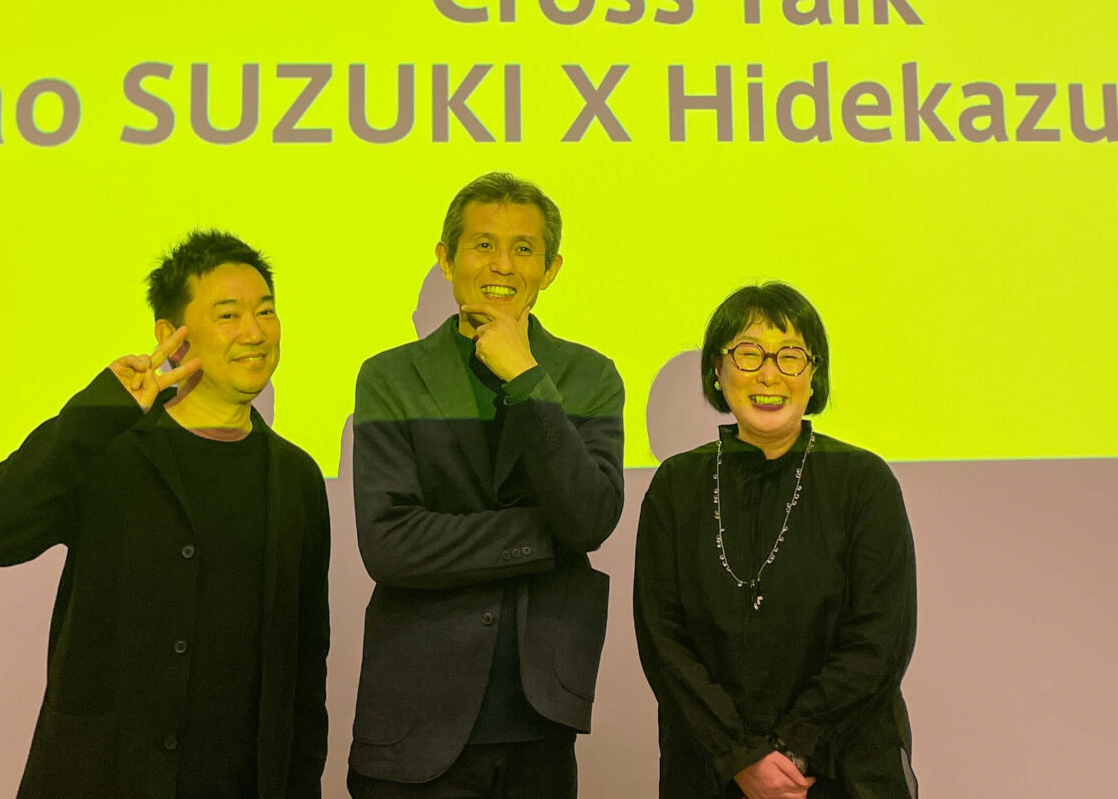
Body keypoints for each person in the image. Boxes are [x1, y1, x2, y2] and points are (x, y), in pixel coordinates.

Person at [0, 229, 330, 799]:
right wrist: (97, 411)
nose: (254, 332)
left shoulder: (296, 477)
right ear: (170, 335)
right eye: (228, 315)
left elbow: (304, 670)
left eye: (266, 311)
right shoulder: (108, 448)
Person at [347, 172, 625, 798]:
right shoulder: (389, 377)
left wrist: (526, 377)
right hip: (413, 723)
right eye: (482, 245)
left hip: (540, 722)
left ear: (550, 269)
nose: (502, 265)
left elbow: (589, 519)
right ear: (446, 259)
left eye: (524, 249)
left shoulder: (588, 376)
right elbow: (389, 544)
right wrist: (541, 536)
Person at [633, 283, 918, 799]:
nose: (769, 375)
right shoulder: (675, 487)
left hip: (841, 769)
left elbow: (879, 642)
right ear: (718, 371)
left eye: (790, 356)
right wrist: (739, 757)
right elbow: (663, 640)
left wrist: (793, 749)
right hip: (711, 771)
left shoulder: (864, 482)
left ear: (814, 375)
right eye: (748, 354)